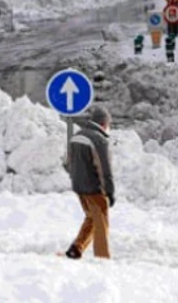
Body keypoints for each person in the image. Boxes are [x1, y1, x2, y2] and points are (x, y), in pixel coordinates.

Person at [65, 106, 115, 260]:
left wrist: (75, 178)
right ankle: (102, 256)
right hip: (94, 187)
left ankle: (77, 247)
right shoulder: (99, 140)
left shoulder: (77, 136)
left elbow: (69, 162)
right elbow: (104, 168)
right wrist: (109, 191)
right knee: (101, 223)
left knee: (92, 218)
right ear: (103, 123)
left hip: (78, 186)